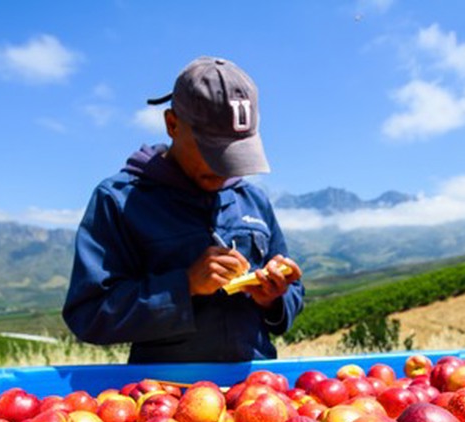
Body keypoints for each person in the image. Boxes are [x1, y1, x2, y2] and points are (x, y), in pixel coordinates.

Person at [62, 56, 305, 364]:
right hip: (165, 397)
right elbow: (90, 314)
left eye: (236, 153)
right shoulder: (120, 201)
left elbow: (294, 294)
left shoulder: (253, 200)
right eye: (213, 151)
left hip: (255, 393)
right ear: (172, 125)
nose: (224, 169)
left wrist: (274, 298)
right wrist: (184, 286)